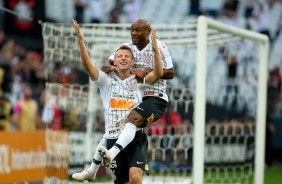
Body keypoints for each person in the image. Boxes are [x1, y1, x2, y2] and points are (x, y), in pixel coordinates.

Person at [70, 19, 163, 183]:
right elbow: (87, 66)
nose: (123, 58)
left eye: (127, 56)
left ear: (132, 61)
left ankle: (94, 167)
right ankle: (93, 169)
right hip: (112, 138)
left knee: (135, 178)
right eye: (119, 56)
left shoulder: (137, 80)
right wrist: (81, 41)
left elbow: (157, 74)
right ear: (114, 60)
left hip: (136, 139)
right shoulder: (105, 81)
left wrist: (155, 51)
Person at [100, 18, 174, 167]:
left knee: (133, 117)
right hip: (132, 97)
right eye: (132, 30)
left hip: (154, 97)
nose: (133, 33)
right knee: (114, 125)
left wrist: (148, 71)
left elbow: (171, 73)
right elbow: (105, 66)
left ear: (148, 31)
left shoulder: (159, 46)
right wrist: (114, 68)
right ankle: (94, 167)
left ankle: (112, 153)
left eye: (138, 30)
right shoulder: (126, 48)